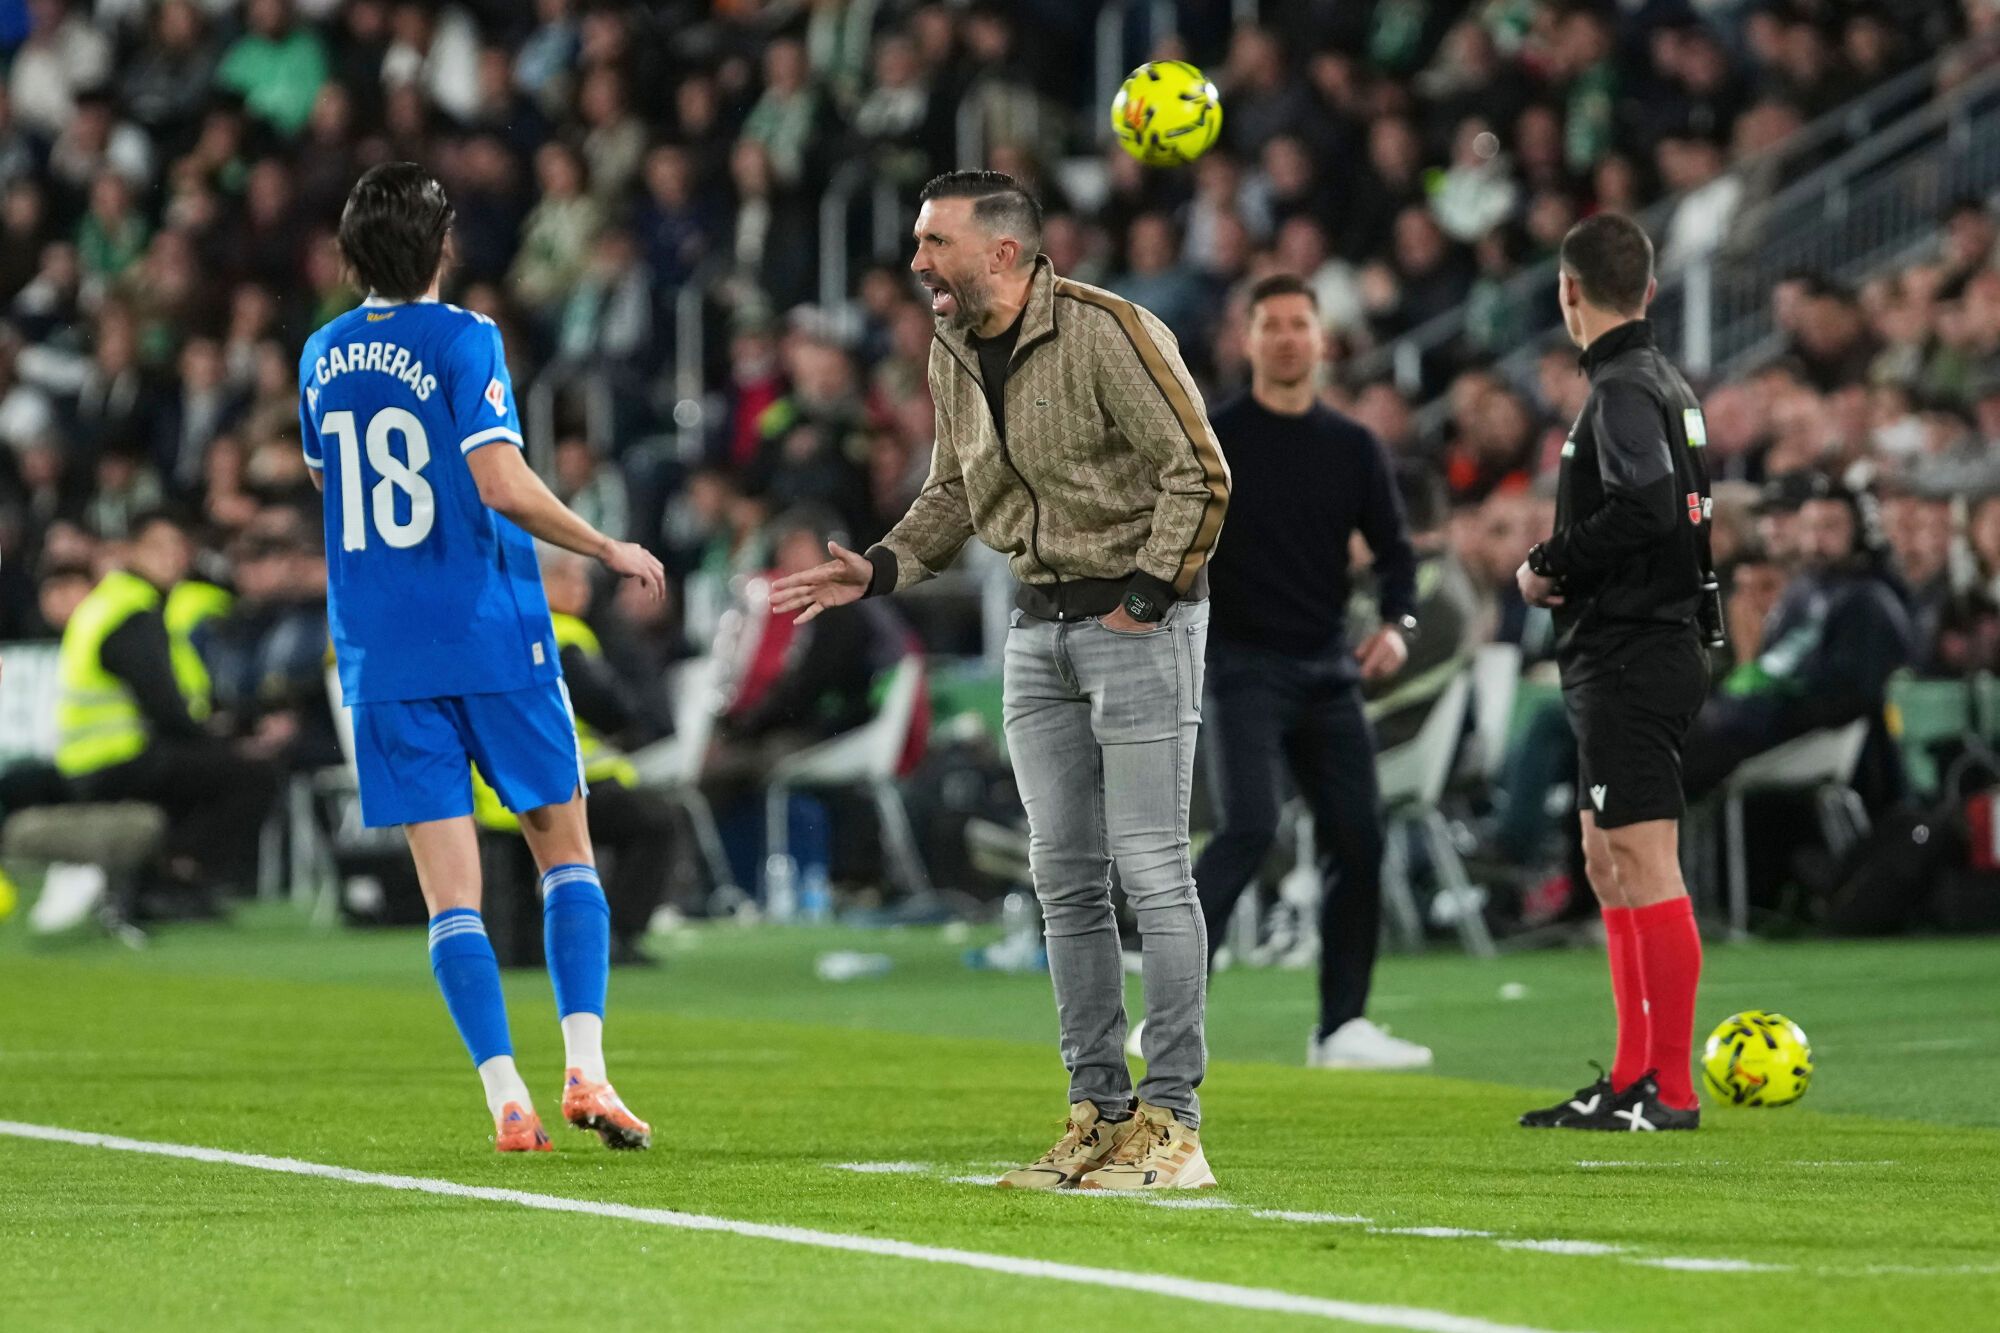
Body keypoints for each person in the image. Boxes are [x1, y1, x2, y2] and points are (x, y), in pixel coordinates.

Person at [772, 170, 1230, 1191]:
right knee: (1061, 880)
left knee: (1151, 869)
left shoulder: (1111, 332)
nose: (918, 262)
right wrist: (882, 565)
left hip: (1134, 623)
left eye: (936, 243)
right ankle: (1097, 1114)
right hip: (1037, 627)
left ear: (1006, 254)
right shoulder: (948, 349)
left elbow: (1197, 471)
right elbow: (953, 489)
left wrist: (1147, 600)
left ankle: (1176, 1123)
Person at [301, 163, 666, 1153]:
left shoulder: (319, 354)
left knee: (448, 890)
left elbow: (333, 482)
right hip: (489, 629)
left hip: (380, 648)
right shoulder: (468, 339)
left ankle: (505, 1093)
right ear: (444, 243)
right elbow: (499, 481)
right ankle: (585, 1068)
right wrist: (601, 546)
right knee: (562, 845)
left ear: (349, 255)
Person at [1186, 273, 1431, 1072]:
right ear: (1247, 338)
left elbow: (1398, 558)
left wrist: (1399, 626)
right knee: (1250, 826)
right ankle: (1171, 1013)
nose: (1288, 338)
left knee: (1359, 835)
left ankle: (1341, 1027)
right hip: (1239, 663)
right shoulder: (1213, 439)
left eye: (1301, 324)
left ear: (1323, 340)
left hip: (1327, 667)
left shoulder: (1354, 446)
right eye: (1272, 325)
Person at [1514, 213, 1712, 1132]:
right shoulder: (1653, 379)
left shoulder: (1624, 387)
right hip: (1630, 651)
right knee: (1607, 856)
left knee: (1643, 857)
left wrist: (1551, 562)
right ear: (1650, 290)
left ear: (1568, 292)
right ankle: (1633, 1074)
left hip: (1635, 651)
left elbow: (1647, 505)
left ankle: (1667, 1089)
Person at [54, 508, 279, 914]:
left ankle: (158, 877)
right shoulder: (130, 613)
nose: (173, 557)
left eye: (180, 547)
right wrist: (224, 741)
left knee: (211, 768)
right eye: (159, 547)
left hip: (97, 756)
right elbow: (165, 709)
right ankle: (177, 875)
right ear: (130, 551)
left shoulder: (118, 604)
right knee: (254, 775)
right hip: (114, 758)